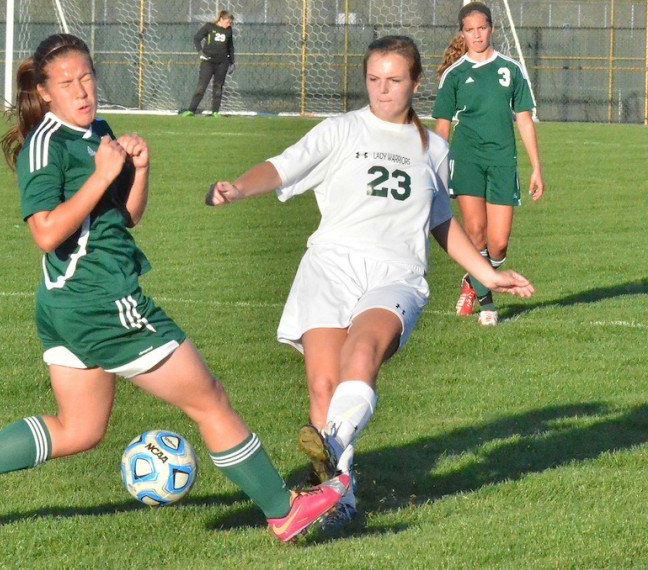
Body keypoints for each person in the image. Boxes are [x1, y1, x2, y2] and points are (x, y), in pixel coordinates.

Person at [0, 33, 348, 543]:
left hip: (72, 305)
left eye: (87, 78)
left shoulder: (96, 131)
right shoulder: (46, 143)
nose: (82, 91)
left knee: (80, 429)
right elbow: (45, 232)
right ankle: (283, 511)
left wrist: (138, 170)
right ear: (46, 91)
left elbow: (126, 217)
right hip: (101, 301)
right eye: (67, 83)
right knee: (209, 398)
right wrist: (102, 176)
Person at [204, 36, 534, 532]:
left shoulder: (434, 148)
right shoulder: (340, 130)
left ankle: (332, 449)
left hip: (395, 275)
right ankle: (343, 500)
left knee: (360, 355)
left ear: (416, 83)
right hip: (330, 268)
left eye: (395, 80)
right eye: (374, 80)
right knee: (323, 386)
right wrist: (237, 187)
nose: (383, 90)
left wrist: (486, 273)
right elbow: (281, 167)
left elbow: (440, 221)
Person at [432, 1, 544, 326]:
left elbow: (524, 120)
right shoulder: (454, 76)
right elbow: (441, 128)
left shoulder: (510, 69)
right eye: (470, 30)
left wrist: (536, 167)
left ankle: (473, 278)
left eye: (482, 28)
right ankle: (487, 304)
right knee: (476, 233)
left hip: (502, 161)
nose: (477, 34)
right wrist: (436, 168)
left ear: (492, 29)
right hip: (466, 159)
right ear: (462, 34)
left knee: (498, 241)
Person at [180, 10, 235, 117]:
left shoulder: (229, 30)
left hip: (222, 63)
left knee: (218, 87)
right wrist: (201, 52)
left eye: (230, 23)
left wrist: (232, 62)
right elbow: (196, 39)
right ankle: (191, 110)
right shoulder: (209, 27)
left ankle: (215, 112)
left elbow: (230, 47)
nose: (229, 24)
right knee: (201, 86)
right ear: (221, 19)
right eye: (228, 22)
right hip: (208, 62)